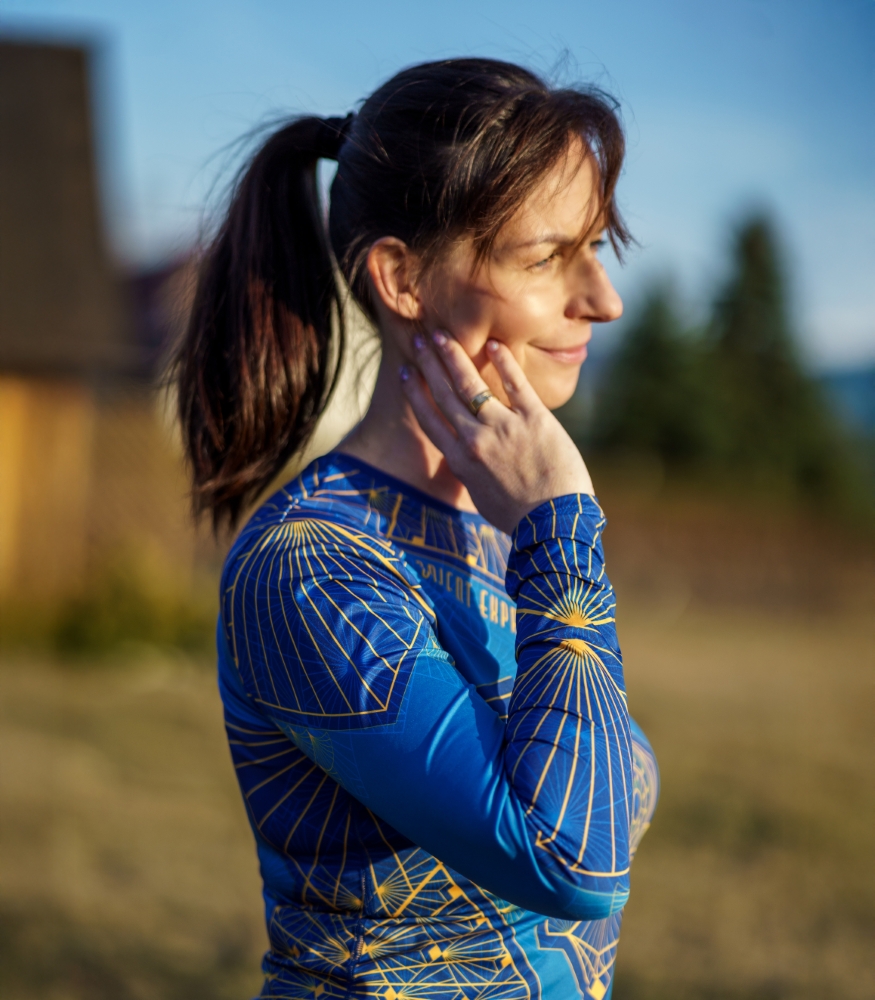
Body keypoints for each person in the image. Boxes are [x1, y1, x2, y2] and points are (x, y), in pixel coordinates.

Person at [175, 57, 659, 1000]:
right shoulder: (310, 567)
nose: (603, 300)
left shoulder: (502, 531)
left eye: (597, 247)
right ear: (401, 278)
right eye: (546, 257)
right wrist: (560, 523)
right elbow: (576, 861)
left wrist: (539, 530)